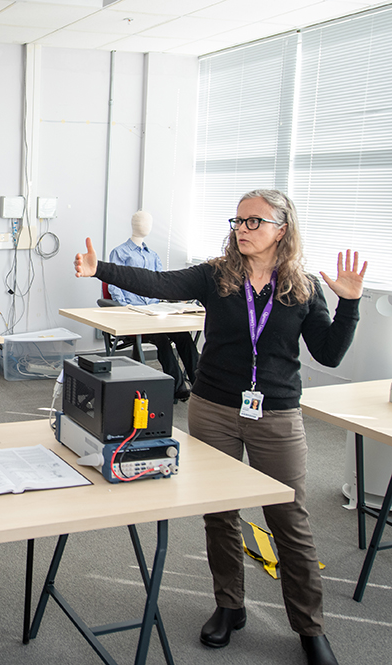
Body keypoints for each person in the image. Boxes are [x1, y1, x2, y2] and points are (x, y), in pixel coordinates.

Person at [74, 190, 366, 665]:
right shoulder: (217, 275)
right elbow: (158, 282)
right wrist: (100, 270)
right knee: (220, 513)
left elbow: (329, 353)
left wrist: (349, 304)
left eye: (254, 222)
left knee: (289, 520)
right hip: (213, 407)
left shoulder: (304, 287)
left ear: (282, 228)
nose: (242, 229)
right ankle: (230, 606)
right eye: (238, 221)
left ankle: (309, 627)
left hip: (275, 416)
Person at [106, 210, 199, 401]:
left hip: (155, 311)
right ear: (133, 224)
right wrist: (127, 309)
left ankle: (200, 384)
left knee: (183, 337)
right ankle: (177, 386)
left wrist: (173, 301)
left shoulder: (153, 255)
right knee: (162, 340)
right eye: (141, 222)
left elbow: (162, 284)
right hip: (134, 313)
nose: (145, 226)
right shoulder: (120, 253)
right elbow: (114, 285)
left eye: (148, 222)